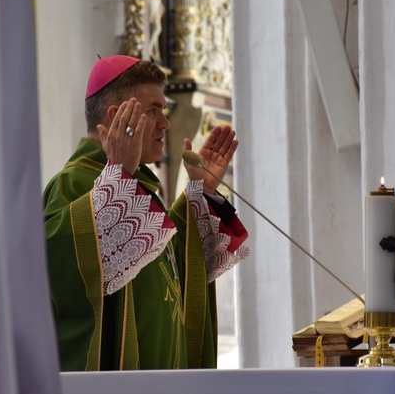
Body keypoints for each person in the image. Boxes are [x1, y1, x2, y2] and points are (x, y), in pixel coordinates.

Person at [43, 55, 250, 371]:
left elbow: (169, 272)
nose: (165, 123)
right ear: (117, 118)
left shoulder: (132, 189)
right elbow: (57, 275)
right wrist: (117, 177)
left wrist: (200, 194)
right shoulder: (73, 185)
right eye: (154, 110)